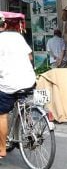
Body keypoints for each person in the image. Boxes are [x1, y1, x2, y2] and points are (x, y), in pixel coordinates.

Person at [0, 14, 37, 158]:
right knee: (23, 101)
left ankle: (2, 149)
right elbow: (30, 57)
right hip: (28, 80)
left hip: (8, 83)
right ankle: (25, 120)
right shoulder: (17, 37)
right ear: (4, 25)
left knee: (2, 114)